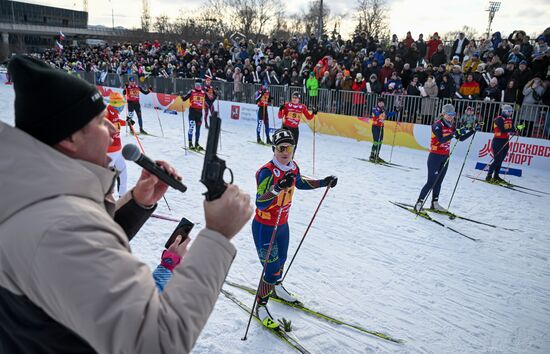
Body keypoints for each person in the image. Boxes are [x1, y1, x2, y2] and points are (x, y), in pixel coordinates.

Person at [0, 55, 253, 354]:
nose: (112, 129)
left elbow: (80, 260)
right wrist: (218, 235)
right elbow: (157, 342)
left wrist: (136, 203)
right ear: (69, 137)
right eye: (99, 121)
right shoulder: (60, 229)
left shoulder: (35, 194)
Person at [252, 129, 337, 328]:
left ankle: (277, 287)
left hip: (282, 225)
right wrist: (277, 187)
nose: (285, 151)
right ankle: (261, 305)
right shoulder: (266, 171)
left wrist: (324, 182)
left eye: (289, 147)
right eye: (281, 148)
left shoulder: (293, 167)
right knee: (271, 269)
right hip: (265, 227)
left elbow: (300, 182)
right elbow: (260, 203)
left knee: (281, 261)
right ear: (274, 149)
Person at [414, 104, 476, 212]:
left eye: (452, 114)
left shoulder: (452, 126)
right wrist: (453, 134)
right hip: (435, 156)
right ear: (443, 114)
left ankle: (434, 203)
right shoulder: (437, 125)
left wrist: (473, 131)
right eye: (448, 114)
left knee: (439, 181)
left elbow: (460, 139)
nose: (450, 117)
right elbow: (440, 140)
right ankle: (418, 203)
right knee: (431, 181)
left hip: (445, 157)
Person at [486, 105, 525, 182]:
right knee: (497, 159)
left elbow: (512, 129)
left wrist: (518, 128)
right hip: (497, 141)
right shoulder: (499, 119)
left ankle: (496, 176)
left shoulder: (509, 119)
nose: (511, 113)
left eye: (511, 111)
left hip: (505, 141)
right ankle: (489, 175)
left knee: (501, 160)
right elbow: (503, 130)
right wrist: (513, 129)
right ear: (505, 111)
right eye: (510, 111)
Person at [106, 91, 128, 197]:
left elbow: (117, 121)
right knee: (108, 176)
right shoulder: (107, 111)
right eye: (121, 105)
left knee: (123, 172)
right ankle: (104, 197)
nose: (122, 107)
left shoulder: (114, 112)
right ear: (115, 104)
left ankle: (122, 196)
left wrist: (126, 122)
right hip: (110, 150)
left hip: (118, 149)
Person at [181, 79, 206, 150]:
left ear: (201, 85)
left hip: (199, 113)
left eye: (199, 85)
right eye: (196, 85)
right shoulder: (192, 92)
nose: (198, 86)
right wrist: (182, 96)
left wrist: (215, 95)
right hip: (192, 112)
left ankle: (196, 144)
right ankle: (190, 143)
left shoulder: (203, 93)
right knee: (191, 127)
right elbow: (184, 99)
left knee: (198, 129)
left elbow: (209, 101)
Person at [369, 97, 395, 163]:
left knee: (380, 142)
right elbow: (377, 114)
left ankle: (377, 155)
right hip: (375, 127)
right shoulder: (374, 109)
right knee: (376, 141)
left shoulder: (384, 110)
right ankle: (372, 155)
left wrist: (396, 111)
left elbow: (389, 114)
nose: (380, 103)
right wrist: (382, 111)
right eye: (379, 102)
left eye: (382, 102)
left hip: (381, 127)